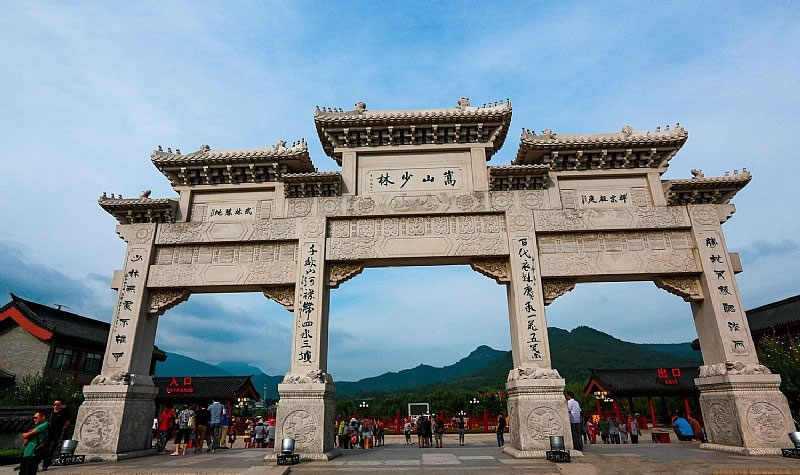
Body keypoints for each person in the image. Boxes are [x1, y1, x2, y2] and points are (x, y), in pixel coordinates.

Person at [41, 399, 70, 471]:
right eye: (55, 404)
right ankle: (44, 463)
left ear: (61, 405)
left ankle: (45, 465)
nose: (56, 406)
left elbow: (66, 423)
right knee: (45, 449)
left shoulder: (63, 413)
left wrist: (63, 431)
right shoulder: (50, 413)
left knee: (52, 449)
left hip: (57, 434)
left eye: (58, 404)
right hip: (48, 433)